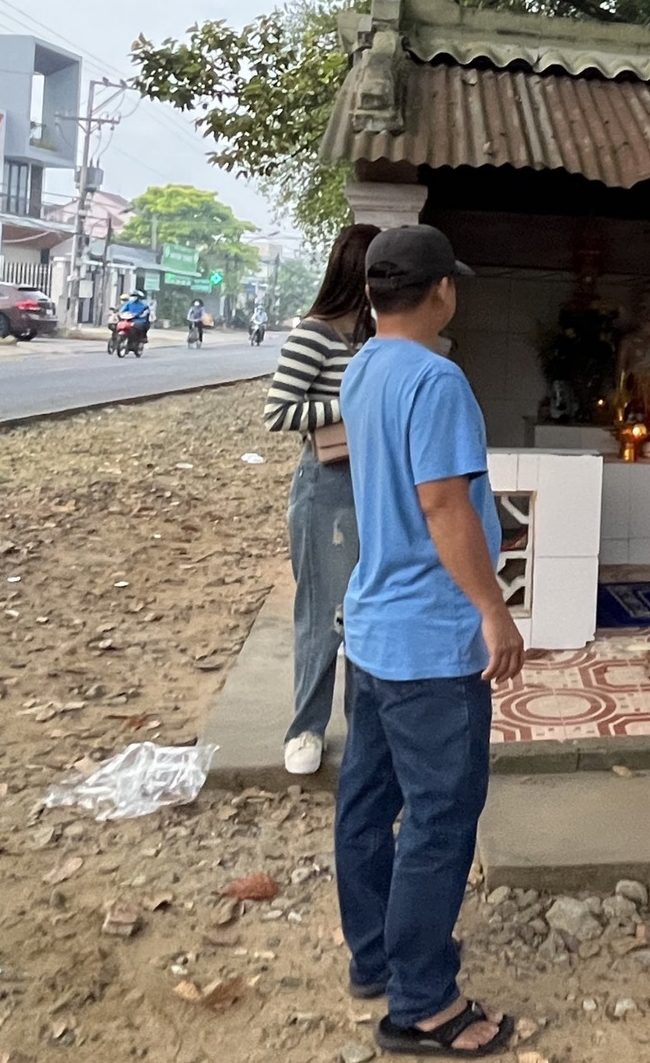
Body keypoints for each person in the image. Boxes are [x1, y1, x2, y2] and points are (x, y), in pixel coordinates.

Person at [335, 224, 523, 1057]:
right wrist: (493, 608)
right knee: (443, 816)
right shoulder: (437, 379)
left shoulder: (364, 368)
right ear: (442, 289)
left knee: (369, 805)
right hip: (430, 639)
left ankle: (375, 957)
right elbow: (445, 506)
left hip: (373, 627)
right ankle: (422, 1003)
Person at [262, 225, 377, 776]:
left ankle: (362, 727)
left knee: (364, 614)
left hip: (372, 485)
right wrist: (346, 405)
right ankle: (305, 729)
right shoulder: (315, 334)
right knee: (321, 615)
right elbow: (278, 412)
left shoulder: (373, 336)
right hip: (326, 486)